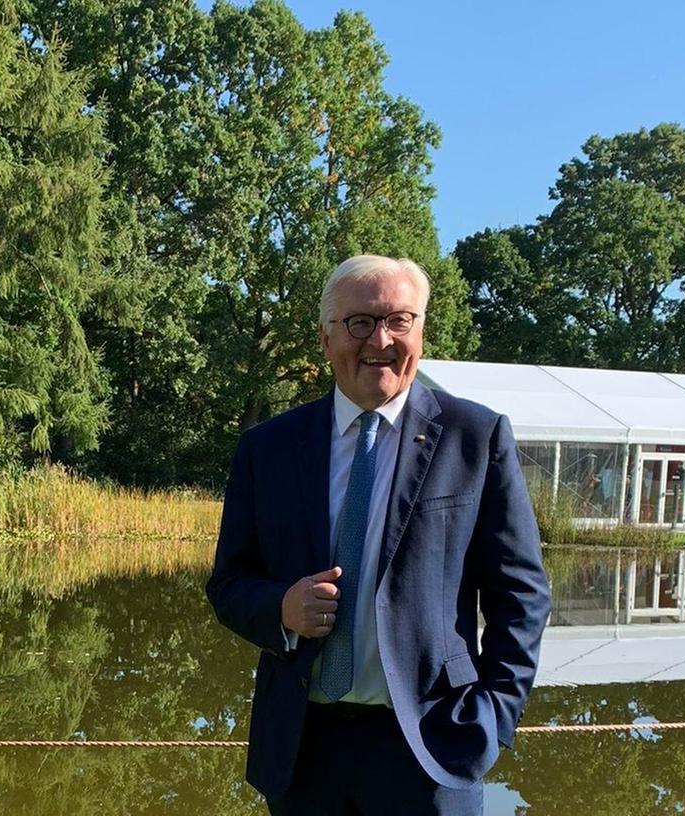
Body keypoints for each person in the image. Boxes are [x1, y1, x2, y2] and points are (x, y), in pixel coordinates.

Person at [206, 255, 550, 815]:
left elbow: (522, 596)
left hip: (433, 747)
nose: (381, 340)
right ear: (325, 338)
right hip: (301, 749)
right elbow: (229, 582)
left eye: (400, 321)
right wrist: (282, 610)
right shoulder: (267, 449)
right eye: (360, 322)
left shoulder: (475, 439)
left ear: (420, 331)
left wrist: (493, 717)